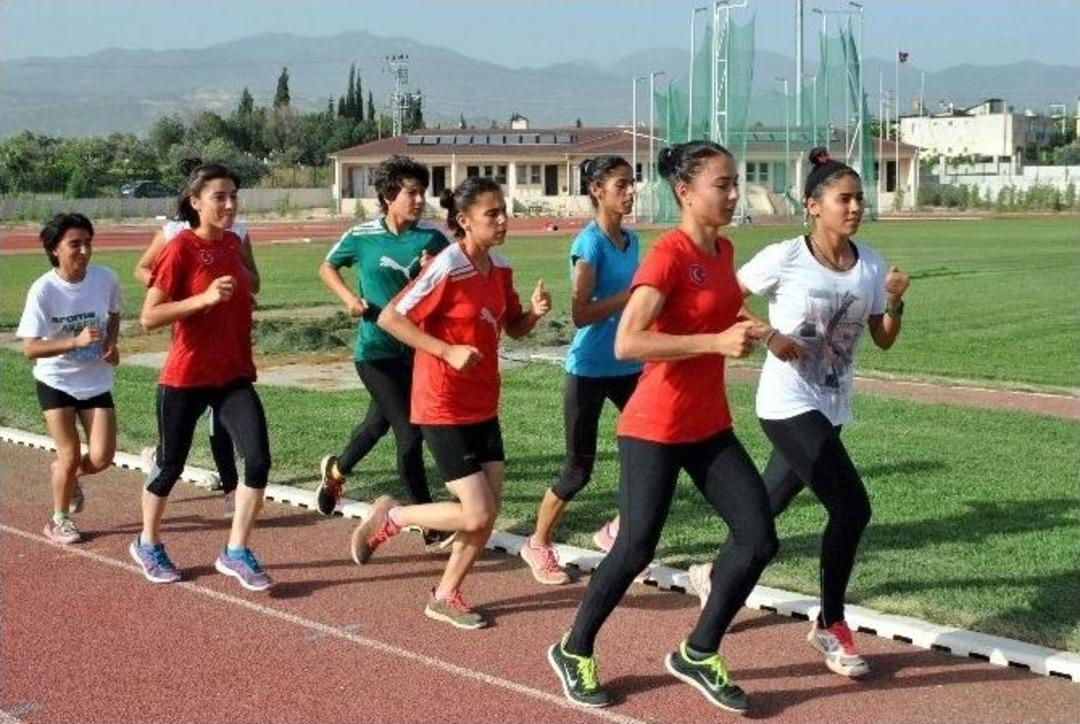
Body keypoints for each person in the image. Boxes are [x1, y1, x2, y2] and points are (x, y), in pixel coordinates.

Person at [547, 141, 777, 713]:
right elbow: (629, 341)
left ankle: (699, 650)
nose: (732, 194)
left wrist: (761, 331)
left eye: (735, 183)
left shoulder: (723, 253)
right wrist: (713, 342)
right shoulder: (668, 255)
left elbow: (718, 312)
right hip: (655, 425)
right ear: (685, 192)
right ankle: (574, 650)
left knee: (758, 536)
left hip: (709, 425)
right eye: (721, 184)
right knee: (634, 549)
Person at [687, 147, 910, 679]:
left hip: (830, 405)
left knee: (765, 505)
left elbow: (882, 339)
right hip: (786, 404)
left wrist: (897, 301)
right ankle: (829, 624)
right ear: (813, 205)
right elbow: (722, 297)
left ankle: (713, 573)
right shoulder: (784, 256)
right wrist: (767, 333)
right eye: (844, 198)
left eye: (859, 198)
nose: (855, 207)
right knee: (853, 508)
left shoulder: (871, 264)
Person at [351, 176, 551, 630]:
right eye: (491, 214)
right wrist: (446, 351)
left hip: (484, 401)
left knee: (486, 509)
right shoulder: (446, 266)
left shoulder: (500, 267)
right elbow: (391, 317)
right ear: (463, 221)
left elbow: (512, 327)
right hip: (441, 401)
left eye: (504, 211)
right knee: (478, 511)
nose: (503, 220)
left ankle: (445, 594)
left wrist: (534, 315)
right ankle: (395, 516)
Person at [131, 162, 273, 591]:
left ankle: (235, 550)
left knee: (259, 460)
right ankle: (147, 541)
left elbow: (250, 288)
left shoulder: (233, 242)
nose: (230, 204)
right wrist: (203, 299)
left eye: (234, 196)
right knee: (170, 465)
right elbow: (149, 317)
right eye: (220, 197)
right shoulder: (179, 249)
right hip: (185, 376)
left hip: (232, 375)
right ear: (195, 202)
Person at [519, 155, 642, 585]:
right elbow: (581, 313)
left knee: (655, 449)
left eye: (633, 184)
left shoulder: (633, 241)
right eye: (622, 185)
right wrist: (631, 296)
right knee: (578, 470)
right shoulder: (588, 246)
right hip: (588, 369)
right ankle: (537, 543)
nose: (631, 192)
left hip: (629, 364)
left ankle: (614, 530)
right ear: (597, 191)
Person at [314, 156, 449, 545]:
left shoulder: (433, 239)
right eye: (411, 192)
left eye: (423, 192)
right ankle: (426, 517)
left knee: (377, 424)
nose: (420, 199)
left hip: (415, 351)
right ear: (389, 196)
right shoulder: (362, 235)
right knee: (410, 432)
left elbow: (448, 286)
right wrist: (348, 298)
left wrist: (432, 270)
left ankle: (336, 472)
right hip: (375, 352)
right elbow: (327, 267)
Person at [17, 213, 121, 544]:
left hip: (96, 381)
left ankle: (65, 473)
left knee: (103, 457)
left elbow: (115, 313)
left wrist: (109, 343)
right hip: (56, 381)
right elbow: (31, 348)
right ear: (54, 250)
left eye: (88, 243)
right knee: (70, 452)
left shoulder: (105, 279)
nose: (84, 251)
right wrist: (74, 342)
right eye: (75, 244)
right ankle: (58, 520)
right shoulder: (43, 290)